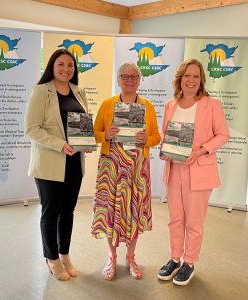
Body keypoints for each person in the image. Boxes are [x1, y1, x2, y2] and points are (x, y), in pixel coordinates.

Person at [157, 58, 229, 286]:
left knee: (194, 222)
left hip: (199, 170)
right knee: (175, 219)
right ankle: (174, 258)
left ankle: (189, 262)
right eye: (187, 75)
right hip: (174, 169)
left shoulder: (211, 104)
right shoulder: (171, 104)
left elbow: (223, 135)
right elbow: (164, 136)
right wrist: (164, 149)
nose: (191, 80)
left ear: (201, 80)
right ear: (180, 78)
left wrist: (200, 151)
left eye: (196, 76)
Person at [91, 62, 161, 280]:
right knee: (111, 211)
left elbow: (157, 137)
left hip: (137, 167)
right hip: (111, 166)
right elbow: (94, 133)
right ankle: (111, 258)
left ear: (139, 80)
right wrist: (106, 135)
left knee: (133, 210)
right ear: (118, 79)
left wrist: (146, 139)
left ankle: (130, 257)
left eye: (134, 76)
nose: (129, 80)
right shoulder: (107, 104)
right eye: (125, 76)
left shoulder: (148, 106)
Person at [24, 49, 88, 281]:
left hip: (73, 163)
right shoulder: (41, 91)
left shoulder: (79, 91)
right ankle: (52, 259)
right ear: (52, 66)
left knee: (68, 212)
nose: (66, 69)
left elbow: (82, 126)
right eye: (61, 64)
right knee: (50, 213)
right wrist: (60, 144)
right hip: (50, 163)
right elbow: (32, 128)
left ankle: (65, 255)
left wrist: (85, 143)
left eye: (70, 65)